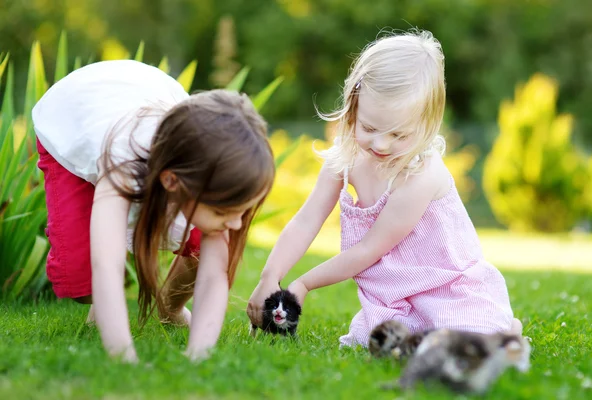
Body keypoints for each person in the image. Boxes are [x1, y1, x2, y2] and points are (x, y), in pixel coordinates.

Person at [247, 30, 522, 348]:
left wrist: (304, 283)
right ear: (353, 106)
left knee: (461, 341)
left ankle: (504, 327)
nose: (380, 144)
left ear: (427, 123)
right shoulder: (346, 157)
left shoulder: (421, 175)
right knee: (373, 339)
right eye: (368, 128)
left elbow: (368, 250)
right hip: (395, 296)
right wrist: (271, 275)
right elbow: (306, 220)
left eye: (398, 135)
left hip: (450, 290)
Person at [33, 59, 275, 362]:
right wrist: (124, 357)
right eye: (226, 210)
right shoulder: (123, 165)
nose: (238, 223)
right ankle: (104, 311)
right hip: (71, 116)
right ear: (172, 181)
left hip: (144, 98)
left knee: (205, 239)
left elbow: (214, 276)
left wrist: (199, 355)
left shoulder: (200, 165)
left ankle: (169, 308)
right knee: (81, 278)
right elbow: (105, 265)